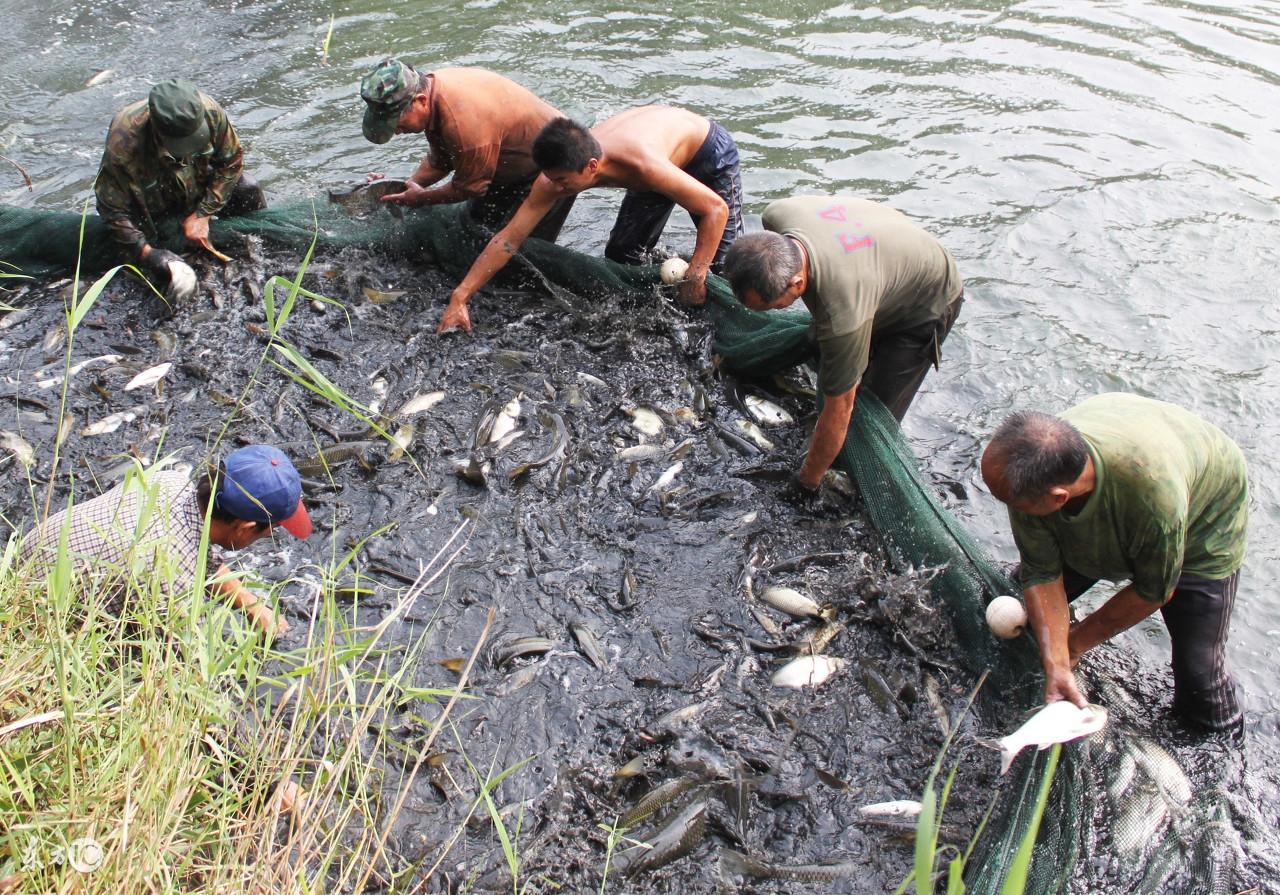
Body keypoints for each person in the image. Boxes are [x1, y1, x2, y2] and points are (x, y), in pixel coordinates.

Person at [980, 394, 1248, 734]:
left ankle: (1223, 745)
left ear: (1059, 497)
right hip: (1130, 444)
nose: (1006, 507)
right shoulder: (1031, 471)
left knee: (1200, 676)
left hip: (1203, 514)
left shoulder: (1154, 497)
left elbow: (1153, 591)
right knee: (1029, 614)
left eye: (1008, 501)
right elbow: (1042, 571)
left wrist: (1074, 644)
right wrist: (1057, 661)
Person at [722, 196, 964, 493]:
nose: (774, 311)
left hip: (927, 299)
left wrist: (807, 482)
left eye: (773, 306)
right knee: (827, 345)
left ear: (797, 283)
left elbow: (841, 407)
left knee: (868, 415)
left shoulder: (843, 315)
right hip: (878, 263)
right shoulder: (777, 214)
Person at [438, 106, 744, 333]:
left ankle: (723, 331)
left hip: (706, 153)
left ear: (592, 166)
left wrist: (696, 276)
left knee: (726, 269)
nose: (555, 188)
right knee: (622, 257)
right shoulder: (553, 178)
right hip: (660, 162)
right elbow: (508, 239)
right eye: (550, 178)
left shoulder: (641, 164)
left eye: (562, 181)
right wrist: (460, 295)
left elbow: (716, 210)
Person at [22, 444, 312, 639]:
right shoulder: (173, 586)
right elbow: (182, 672)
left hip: (22, 572)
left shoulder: (170, 482)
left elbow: (198, 554)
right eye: (269, 530)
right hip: (37, 624)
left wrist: (250, 604)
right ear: (244, 527)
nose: (269, 536)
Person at [358, 59, 575, 240]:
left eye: (395, 121)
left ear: (420, 101)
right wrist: (406, 187)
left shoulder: (464, 123)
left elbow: (470, 188)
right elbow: (440, 160)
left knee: (519, 252)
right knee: (477, 232)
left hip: (556, 168)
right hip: (505, 162)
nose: (395, 131)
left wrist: (421, 198)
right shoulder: (430, 89)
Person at [94, 79, 266, 289]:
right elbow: (112, 209)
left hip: (196, 185)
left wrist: (203, 214)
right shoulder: (124, 141)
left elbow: (232, 163)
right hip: (152, 199)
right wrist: (148, 253)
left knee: (248, 187)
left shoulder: (210, 112)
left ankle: (261, 248)